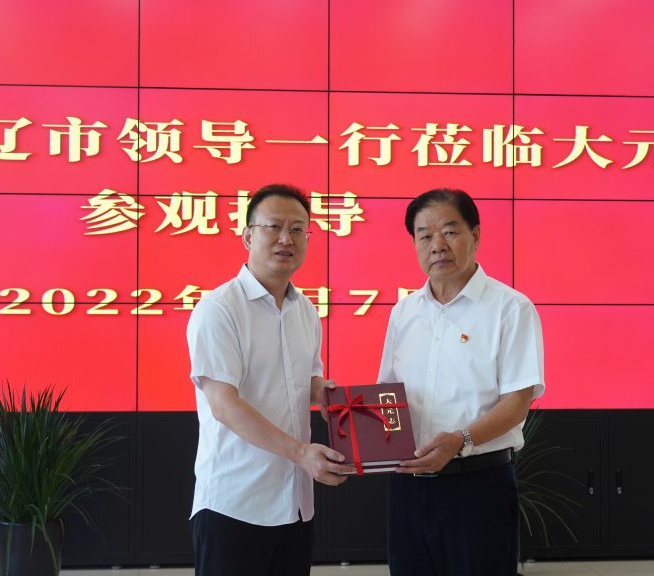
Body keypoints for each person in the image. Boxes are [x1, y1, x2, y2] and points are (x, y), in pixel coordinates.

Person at [185, 183, 353, 576]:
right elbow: (224, 405)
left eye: (297, 229)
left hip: (294, 503)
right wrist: (301, 453)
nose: (286, 239)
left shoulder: (305, 310)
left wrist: (328, 396)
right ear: (247, 236)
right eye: (273, 227)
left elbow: (306, 381)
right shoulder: (219, 309)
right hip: (234, 504)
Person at [377, 188, 545, 576]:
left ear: (476, 235)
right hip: (408, 488)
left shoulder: (510, 308)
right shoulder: (404, 312)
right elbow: (388, 394)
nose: (437, 245)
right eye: (424, 235)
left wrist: (460, 440)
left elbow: (517, 402)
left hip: (477, 485)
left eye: (450, 232)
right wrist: (361, 436)